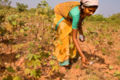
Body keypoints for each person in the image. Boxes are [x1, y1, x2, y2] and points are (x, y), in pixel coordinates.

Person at [52, 0, 99, 67]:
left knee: (71, 35)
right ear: (83, 7)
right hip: (60, 14)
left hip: (70, 17)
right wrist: (83, 56)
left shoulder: (84, 13)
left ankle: (71, 56)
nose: (92, 13)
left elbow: (79, 23)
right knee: (64, 36)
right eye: (90, 10)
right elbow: (75, 38)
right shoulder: (76, 14)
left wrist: (81, 34)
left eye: (94, 11)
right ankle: (63, 61)